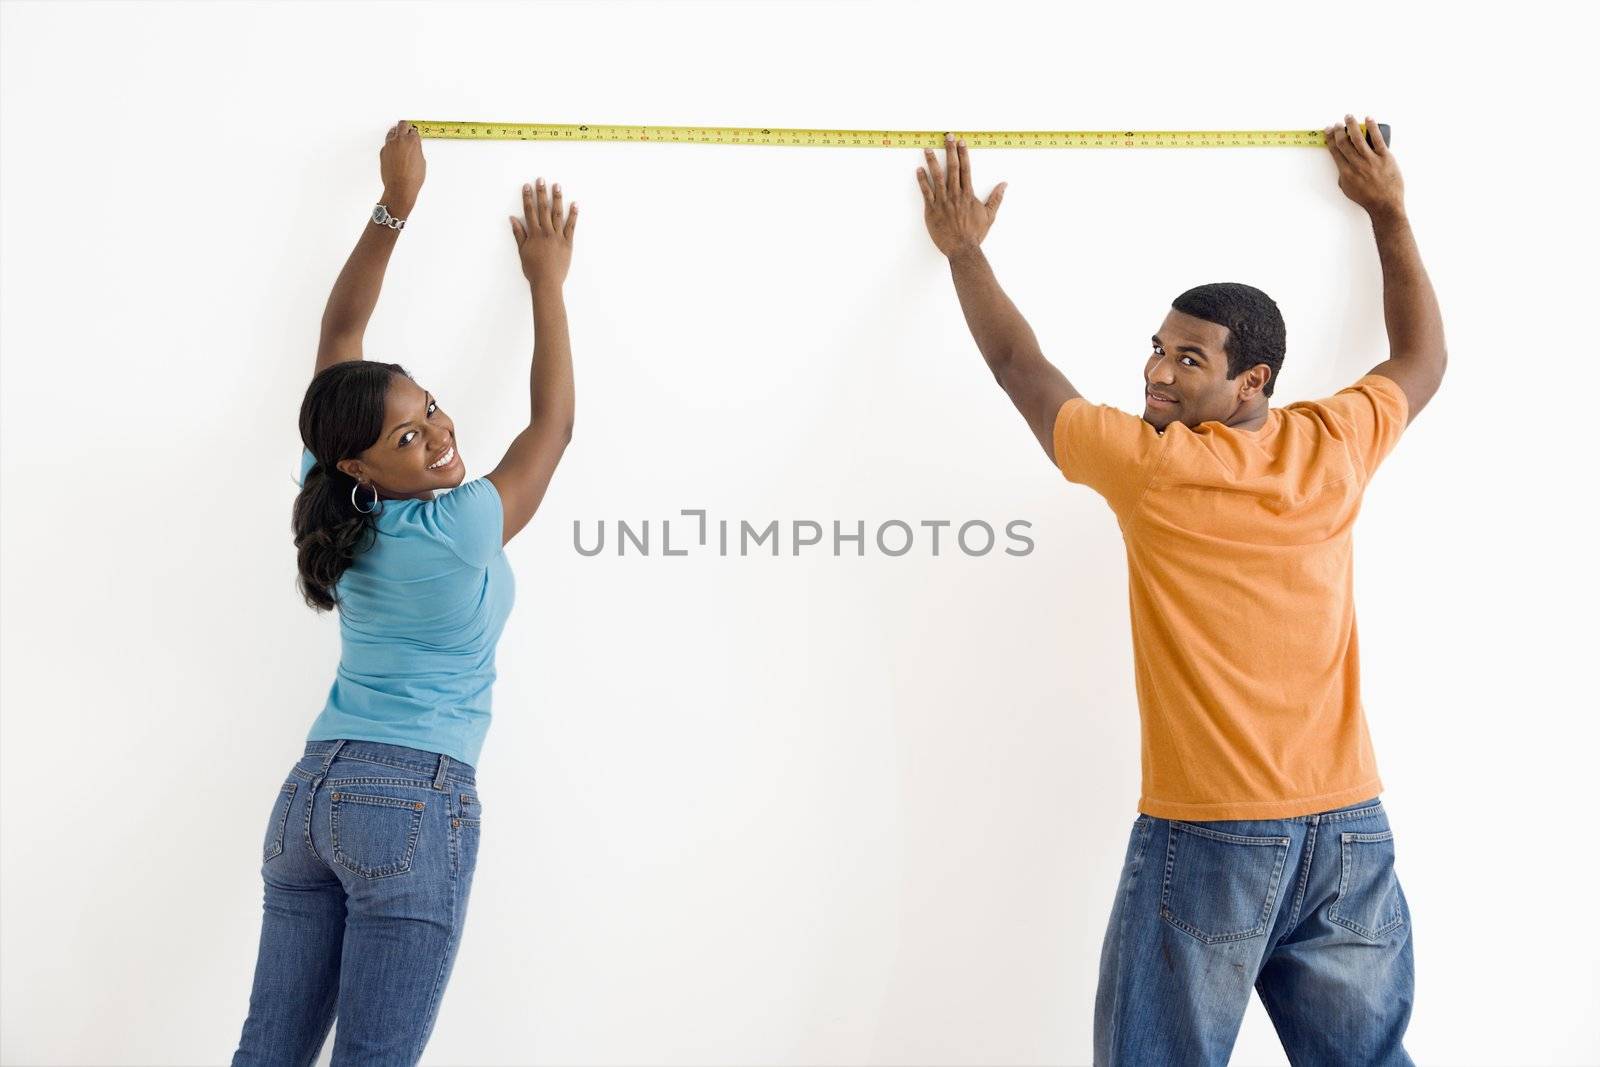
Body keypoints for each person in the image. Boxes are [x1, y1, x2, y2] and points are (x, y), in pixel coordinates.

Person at [914, 114, 1444, 1065]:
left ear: (1252, 381)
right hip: (1349, 833)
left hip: (1214, 838)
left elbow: (1018, 369)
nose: (1156, 372)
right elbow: (1422, 362)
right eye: (1157, 346)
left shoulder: (1152, 469)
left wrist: (963, 254)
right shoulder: (1333, 445)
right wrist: (1389, 213)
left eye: (1188, 359)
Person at [232, 120, 579, 1065]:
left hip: (313, 794)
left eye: (427, 408)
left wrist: (396, 208)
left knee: (269, 1051)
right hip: (410, 799)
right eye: (409, 439)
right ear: (362, 462)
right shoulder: (454, 526)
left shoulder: (330, 490)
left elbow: (339, 336)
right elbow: (552, 429)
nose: (437, 435)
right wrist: (548, 280)